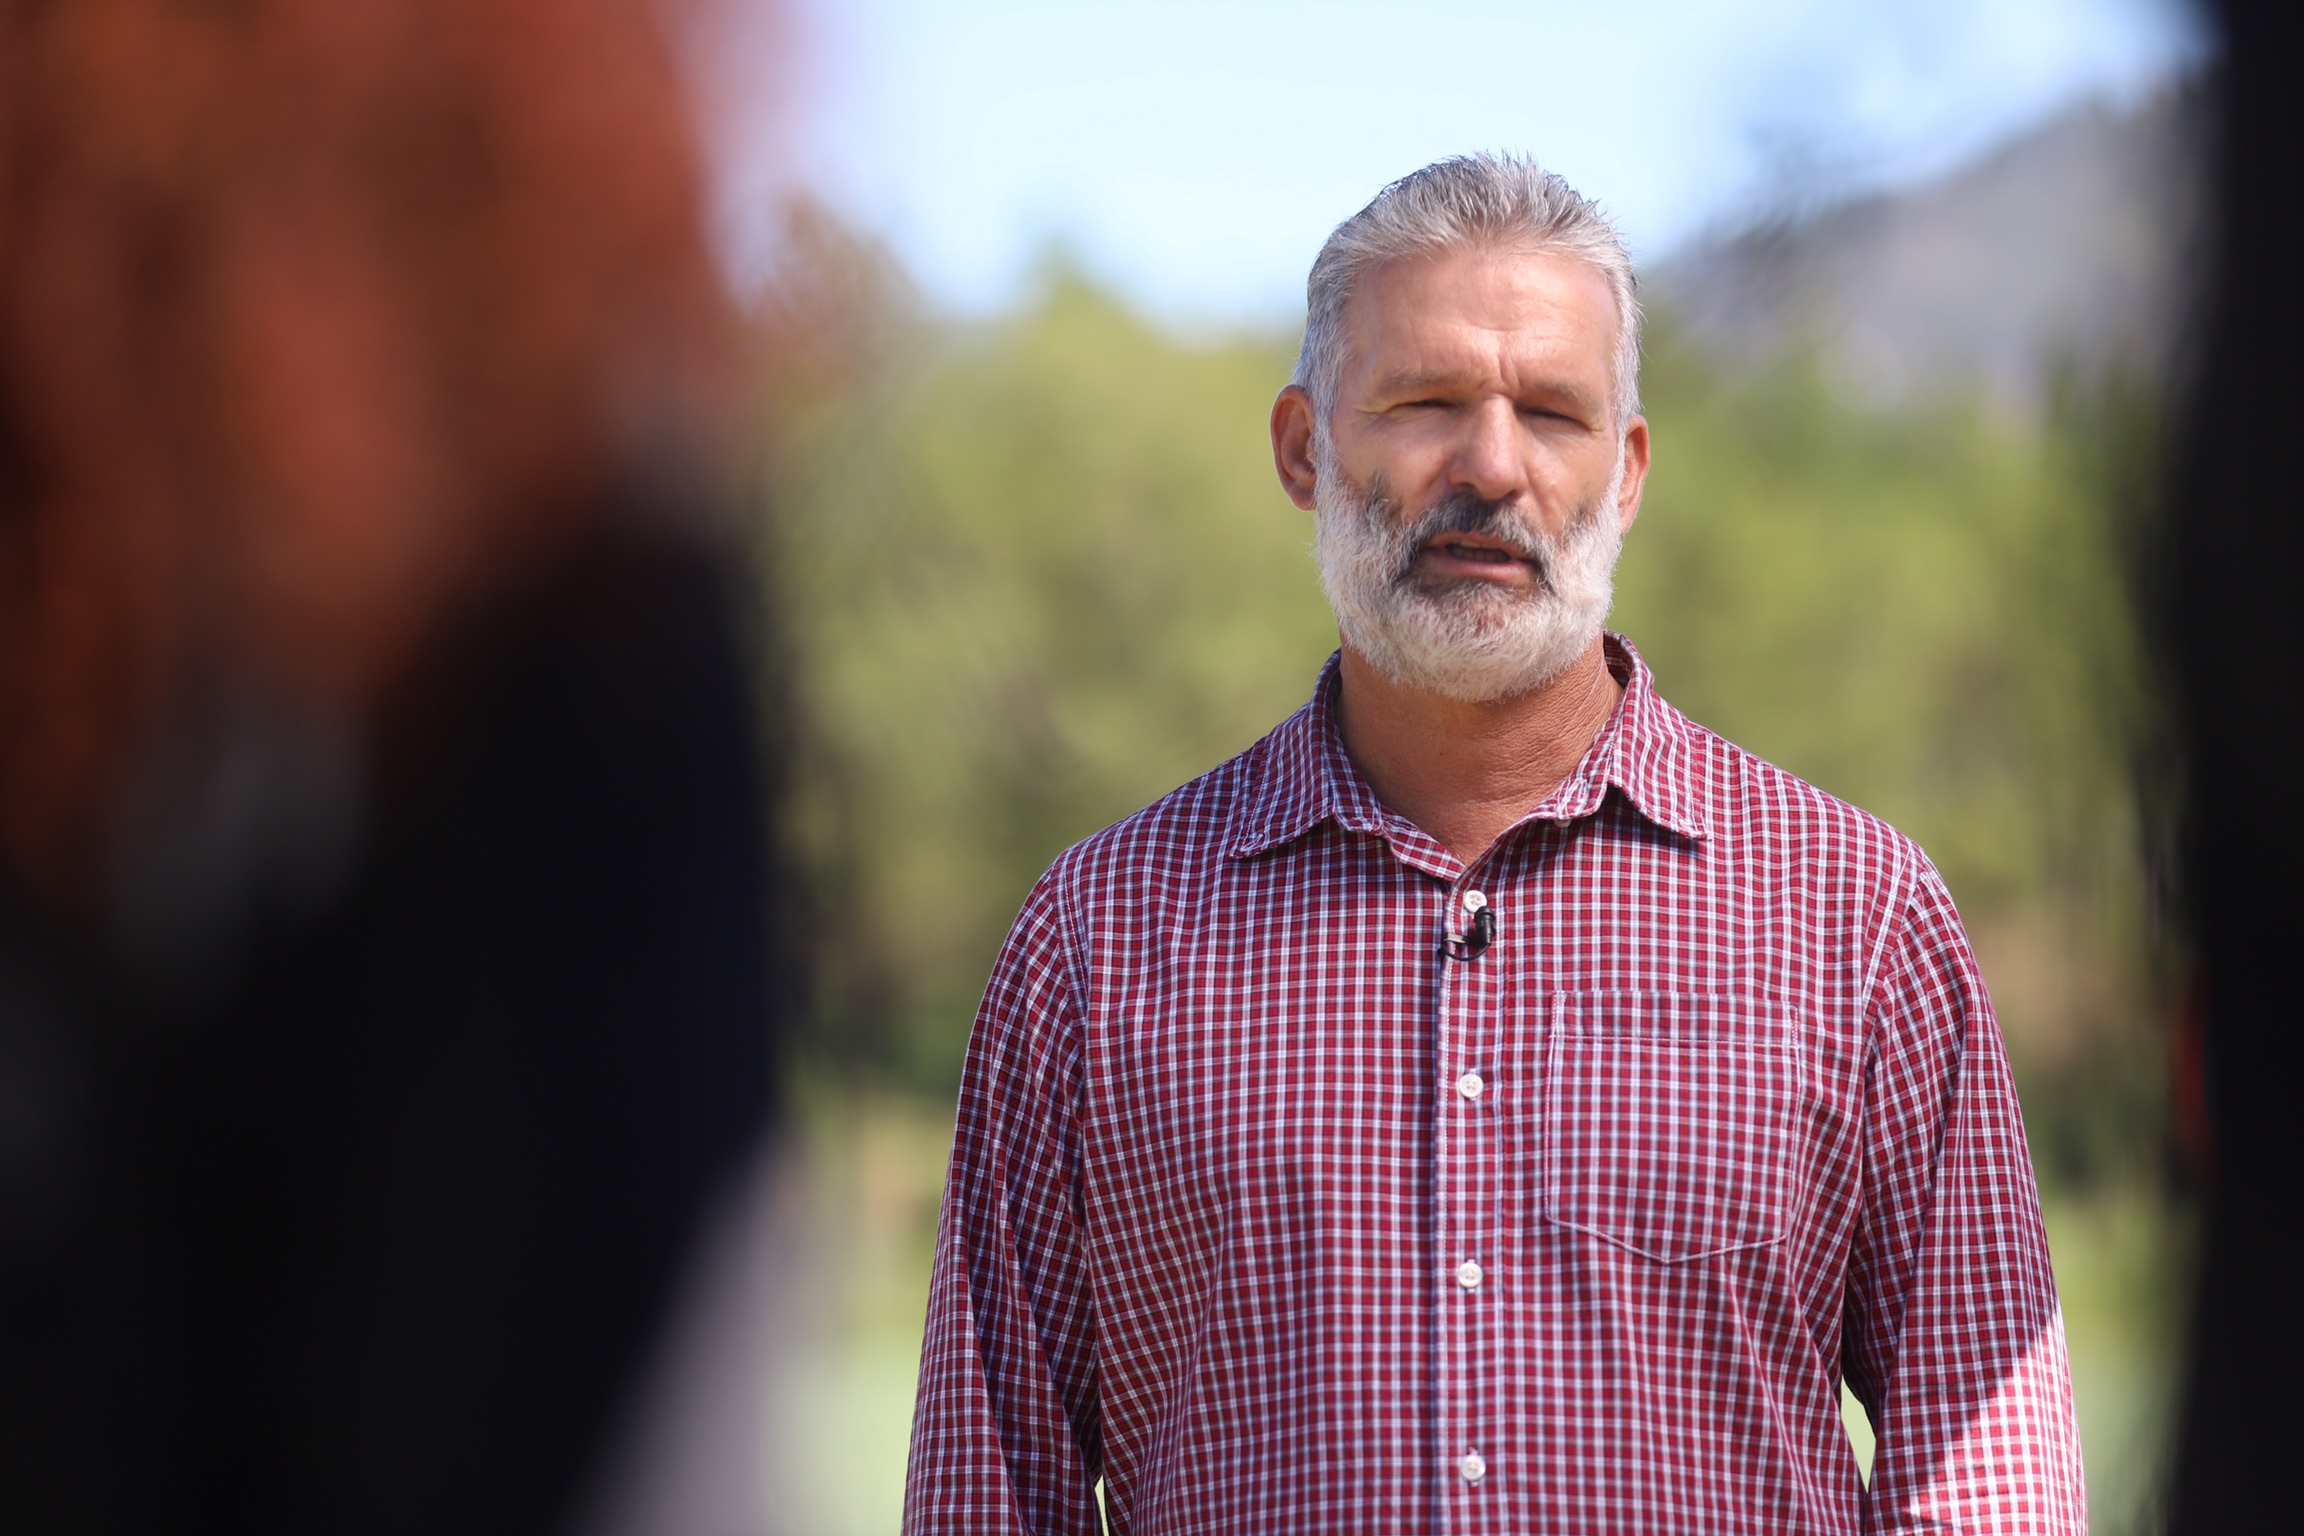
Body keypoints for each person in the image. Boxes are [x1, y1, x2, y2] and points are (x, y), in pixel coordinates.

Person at [903, 155, 2084, 1535]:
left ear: (1625, 473)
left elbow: (1988, 1481)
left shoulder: (1855, 918)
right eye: (1425, 403)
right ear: (1302, 448)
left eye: (1553, 413)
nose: (1493, 465)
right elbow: (988, 1492)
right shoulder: (1099, 939)